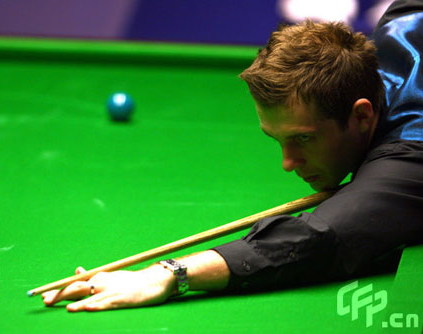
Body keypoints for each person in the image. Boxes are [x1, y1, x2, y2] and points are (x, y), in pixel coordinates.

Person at [42, 0, 423, 312]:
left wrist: (170, 274)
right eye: (277, 140)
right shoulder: (402, 20)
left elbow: (322, 236)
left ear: (361, 116)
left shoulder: (412, 147)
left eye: (303, 139)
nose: (287, 163)